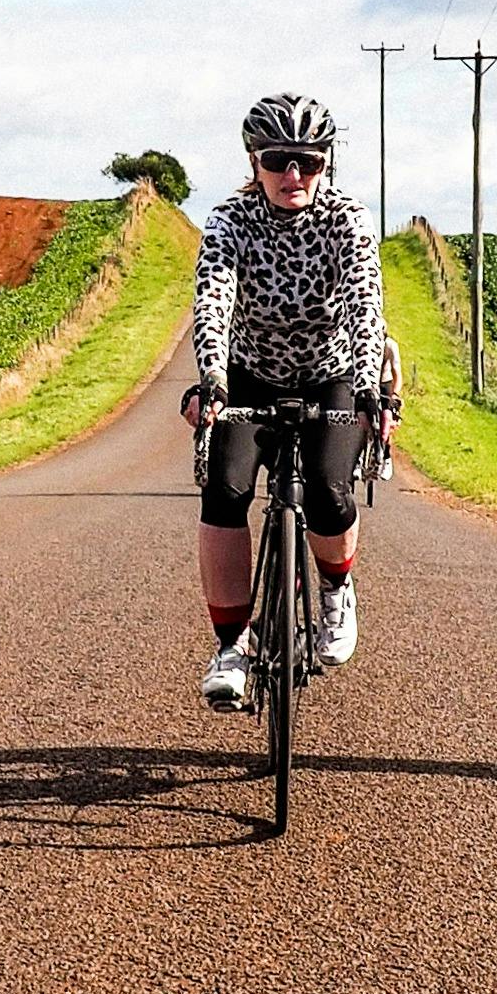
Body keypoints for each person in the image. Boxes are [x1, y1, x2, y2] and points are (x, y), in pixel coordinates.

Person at [181, 91, 397, 711]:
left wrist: (362, 392)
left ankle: (335, 588)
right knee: (224, 489)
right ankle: (231, 647)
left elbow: (363, 307)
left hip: (329, 374)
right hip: (250, 373)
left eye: (309, 160)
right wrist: (214, 381)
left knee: (330, 488)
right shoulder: (228, 222)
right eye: (278, 159)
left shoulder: (347, 222)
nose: (293, 174)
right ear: (255, 162)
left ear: (326, 162)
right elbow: (214, 301)